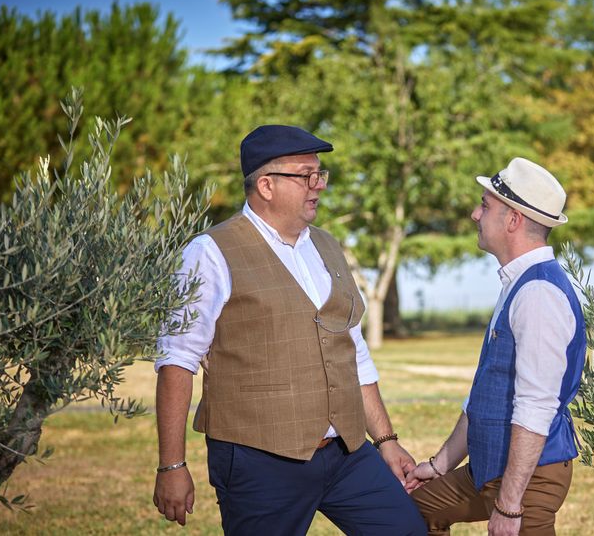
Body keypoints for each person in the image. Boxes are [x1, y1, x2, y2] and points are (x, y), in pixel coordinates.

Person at [151, 125, 426, 535]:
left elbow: (353, 351)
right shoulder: (209, 253)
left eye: (320, 175)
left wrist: (385, 440)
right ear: (266, 185)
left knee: (406, 530)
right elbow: (177, 361)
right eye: (306, 175)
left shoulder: (328, 246)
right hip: (259, 461)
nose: (318, 186)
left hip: (345, 454)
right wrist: (172, 465)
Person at [406, 157, 587, 535]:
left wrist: (508, 505)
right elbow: (485, 395)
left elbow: (536, 406)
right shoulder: (518, 283)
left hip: (528, 481)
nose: (474, 214)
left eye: (485, 206)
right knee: (410, 511)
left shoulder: (538, 293)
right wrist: (440, 466)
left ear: (513, 220)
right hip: (488, 471)